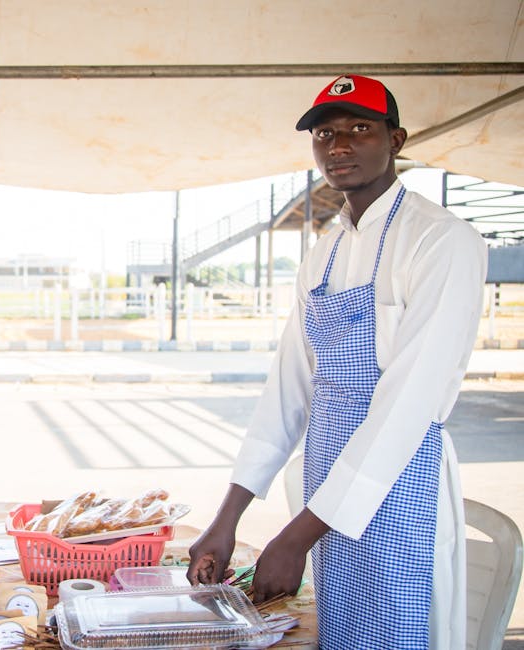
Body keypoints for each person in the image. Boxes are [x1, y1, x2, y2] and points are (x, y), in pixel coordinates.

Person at [187, 74, 487, 650]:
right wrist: (228, 517)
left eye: (359, 129)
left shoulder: (441, 240)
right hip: (327, 488)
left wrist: (296, 537)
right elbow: (289, 391)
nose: (339, 145)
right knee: (340, 633)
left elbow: (408, 406)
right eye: (325, 134)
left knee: (399, 632)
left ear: (395, 140)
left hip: (399, 485)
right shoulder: (324, 252)